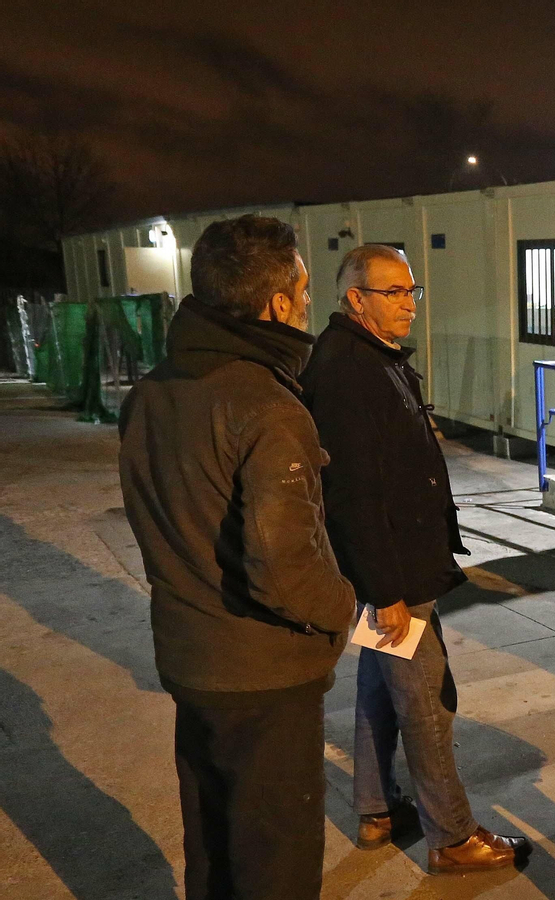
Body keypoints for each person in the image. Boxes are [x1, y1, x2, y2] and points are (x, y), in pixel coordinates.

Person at [118, 215, 358, 899]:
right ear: (278, 303)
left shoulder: (152, 391)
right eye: (305, 291)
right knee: (274, 861)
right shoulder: (266, 405)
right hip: (264, 678)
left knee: (214, 849)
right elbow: (284, 568)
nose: (309, 305)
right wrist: (345, 610)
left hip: (191, 662)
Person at [301, 244, 530, 874]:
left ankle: (375, 808)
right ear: (356, 298)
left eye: (411, 291)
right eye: (393, 292)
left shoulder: (370, 357)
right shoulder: (349, 369)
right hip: (392, 571)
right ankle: (452, 837)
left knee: (381, 680)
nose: (409, 304)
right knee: (426, 700)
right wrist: (386, 588)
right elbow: (351, 493)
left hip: (396, 566)